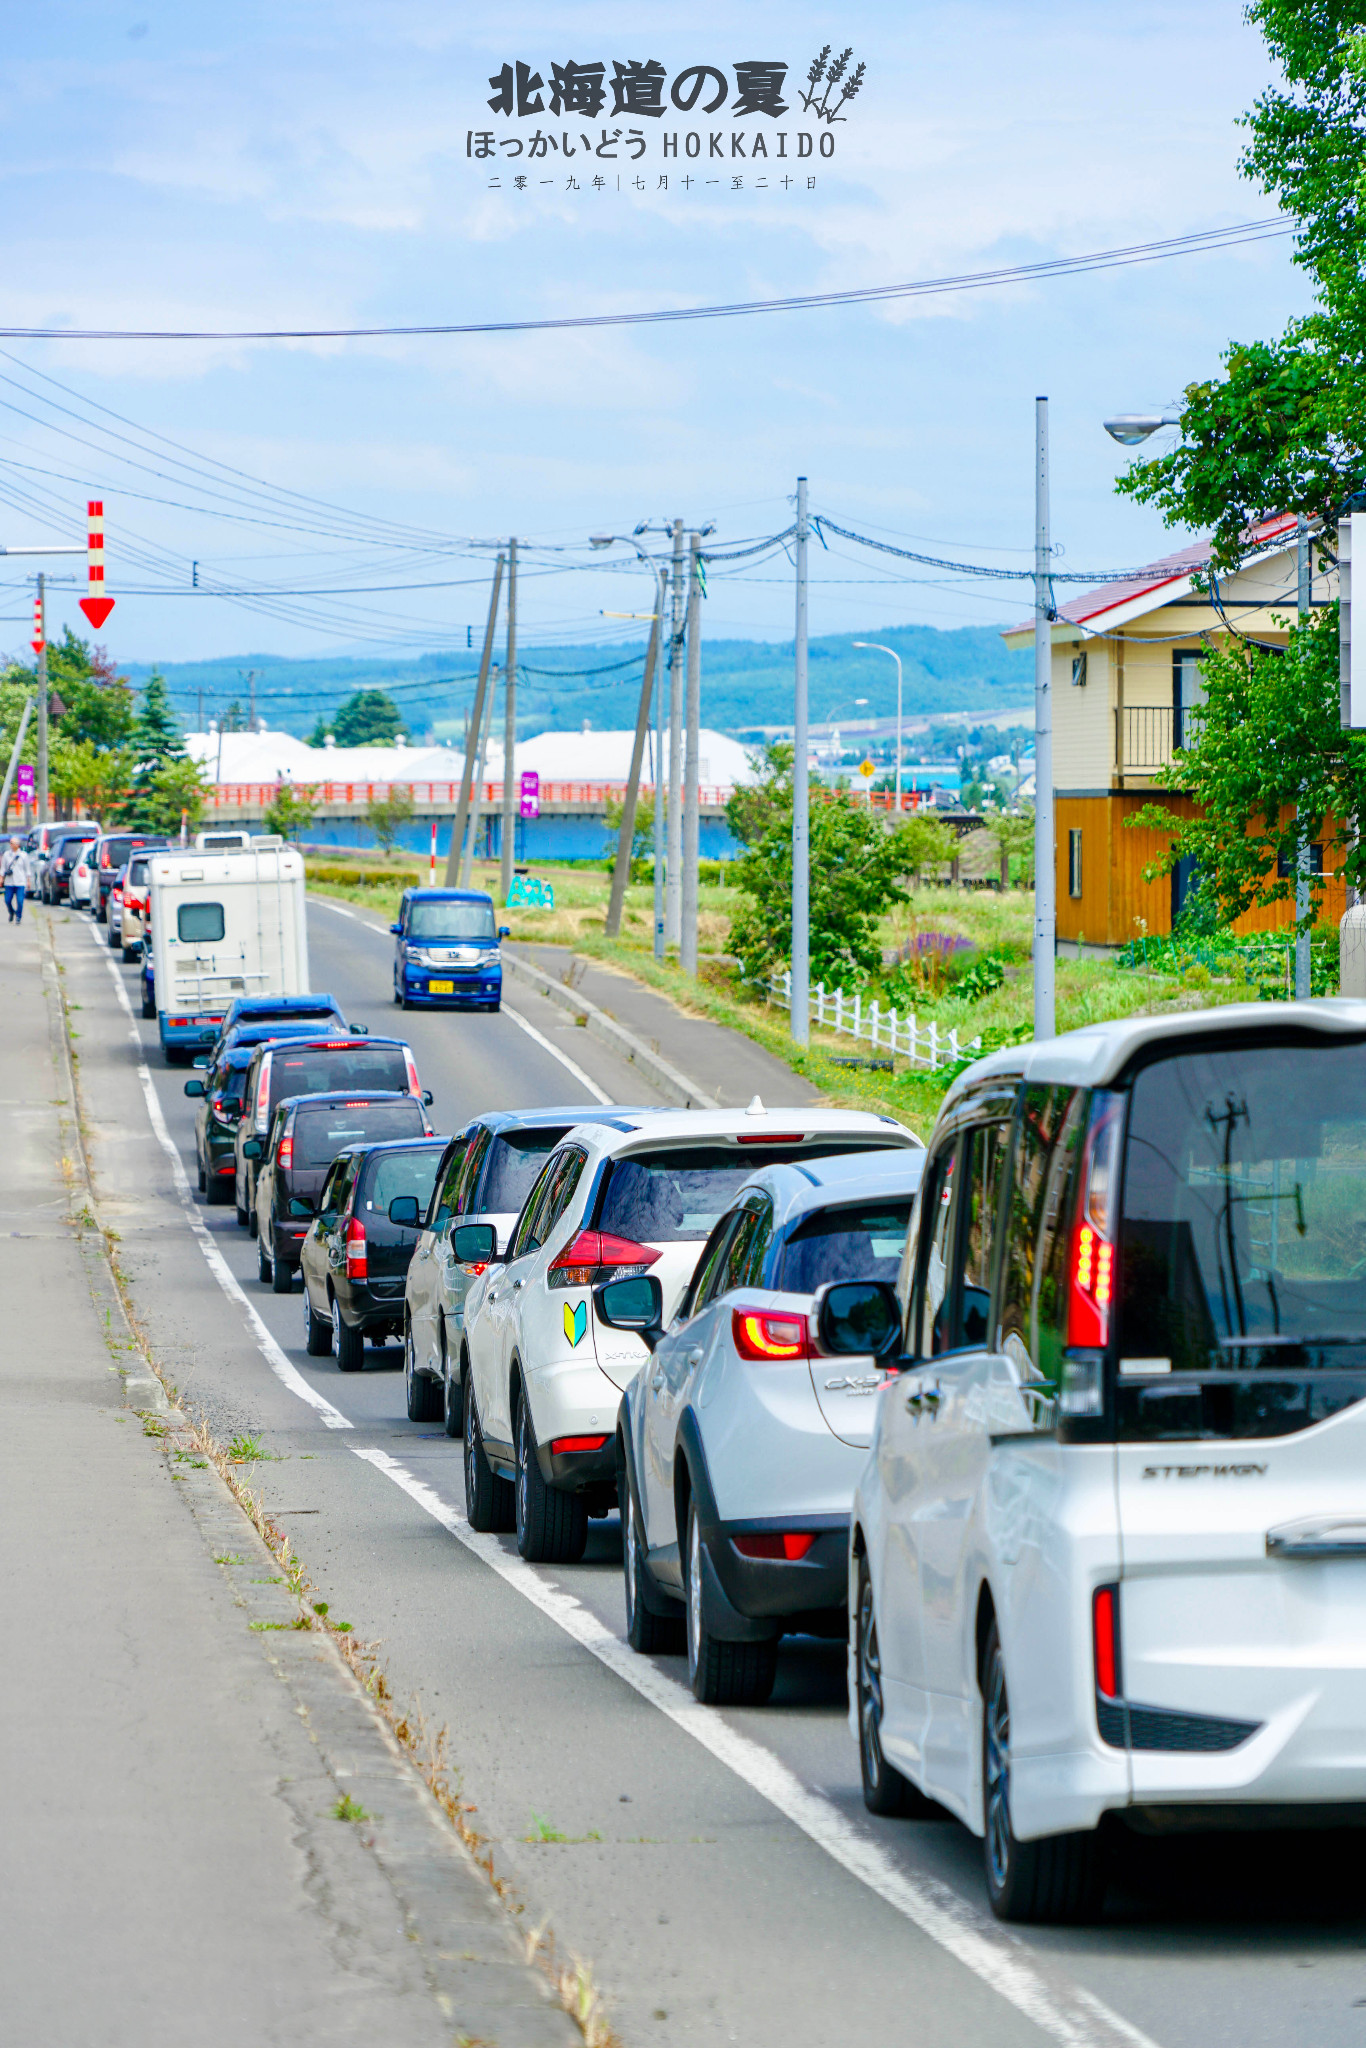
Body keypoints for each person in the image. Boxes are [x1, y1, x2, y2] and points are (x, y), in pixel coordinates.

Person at [3, 836, 33, 924]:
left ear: (17, 845)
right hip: (9, 881)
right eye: (10, 843)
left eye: (12, 843)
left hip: (20, 881)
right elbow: (3, 868)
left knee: (20, 900)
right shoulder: (6, 854)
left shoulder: (23, 855)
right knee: (7, 900)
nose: (11, 845)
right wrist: (1, 878)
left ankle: (18, 916)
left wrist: (28, 880)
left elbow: (27, 869)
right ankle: (11, 912)